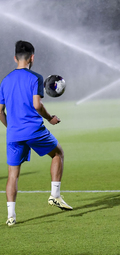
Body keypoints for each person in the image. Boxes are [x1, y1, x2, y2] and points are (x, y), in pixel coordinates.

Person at [0, 41, 73, 227]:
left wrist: (11, 127)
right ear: (32, 58)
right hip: (33, 130)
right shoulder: (36, 78)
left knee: (12, 175)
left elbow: (0, 111)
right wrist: (51, 119)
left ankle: (11, 217)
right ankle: (55, 196)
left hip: (14, 134)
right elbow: (37, 105)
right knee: (58, 153)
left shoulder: (5, 81)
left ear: (15, 58)